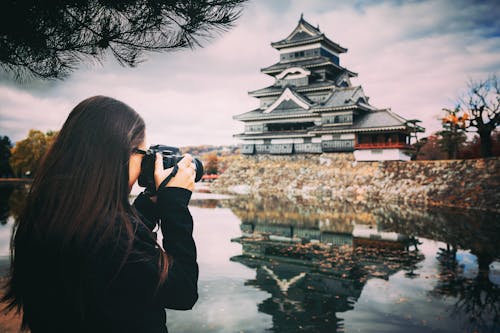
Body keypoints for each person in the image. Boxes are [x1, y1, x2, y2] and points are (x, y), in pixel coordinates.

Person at [1, 96, 198, 332]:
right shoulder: (111, 237)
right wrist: (175, 205)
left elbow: (118, 252)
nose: (145, 164)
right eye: (143, 155)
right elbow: (183, 291)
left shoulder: (48, 214)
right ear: (119, 155)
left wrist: (150, 203)